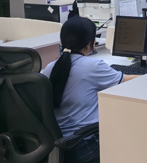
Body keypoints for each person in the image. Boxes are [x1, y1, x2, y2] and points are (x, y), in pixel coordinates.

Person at [42, 17, 140, 163]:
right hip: (83, 146)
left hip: (57, 146)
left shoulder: (50, 67)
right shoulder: (93, 66)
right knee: (130, 134)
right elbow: (126, 81)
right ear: (91, 43)